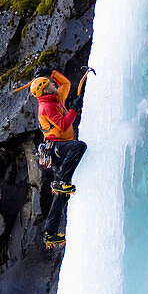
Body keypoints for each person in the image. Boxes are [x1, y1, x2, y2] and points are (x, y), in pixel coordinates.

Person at [22, 71, 87, 250]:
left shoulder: (54, 99)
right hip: (56, 148)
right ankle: (60, 181)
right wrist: (74, 108)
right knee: (78, 147)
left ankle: (49, 233)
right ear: (44, 90)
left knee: (61, 196)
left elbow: (65, 85)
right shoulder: (47, 107)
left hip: (58, 149)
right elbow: (64, 124)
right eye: (49, 82)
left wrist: (52, 73)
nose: (53, 83)